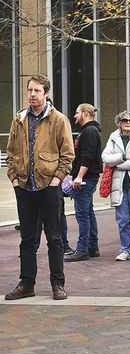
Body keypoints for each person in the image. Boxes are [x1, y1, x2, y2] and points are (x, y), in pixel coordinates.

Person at [5, 74, 74, 301]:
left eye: (37, 91)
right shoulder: (19, 120)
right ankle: (26, 284)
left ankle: (58, 284)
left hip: (49, 187)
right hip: (25, 187)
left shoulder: (58, 120)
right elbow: (11, 153)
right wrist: (15, 180)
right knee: (27, 240)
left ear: (46, 93)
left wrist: (57, 180)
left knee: (54, 238)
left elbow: (67, 155)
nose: (32, 95)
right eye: (30, 90)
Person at [101, 111, 130, 261]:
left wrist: (117, 164)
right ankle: (126, 249)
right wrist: (123, 157)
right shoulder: (113, 138)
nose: (128, 123)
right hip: (119, 184)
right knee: (122, 219)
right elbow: (106, 158)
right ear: (119, 123)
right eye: (125, 120)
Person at [65, 103, 103, 262]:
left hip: (86, 178)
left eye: (77, 112)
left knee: (82, 214)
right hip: (89, 176)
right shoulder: (90, 131)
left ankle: (82, 249)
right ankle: (92, 247)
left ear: (85, 114)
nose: (74, 116)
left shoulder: (89, 131)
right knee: (88, 211)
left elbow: (87, 156)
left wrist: (79, 177)